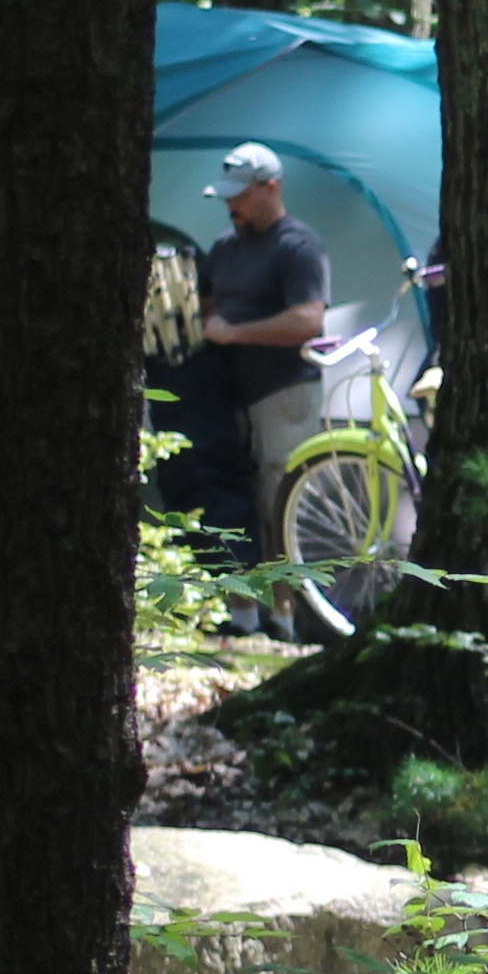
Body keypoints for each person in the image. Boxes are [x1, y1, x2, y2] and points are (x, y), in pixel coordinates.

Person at [195, 143, 329, 628]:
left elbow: (307, 320)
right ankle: (246, 615)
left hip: (284, 392)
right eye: (228, 199)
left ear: (272, 188)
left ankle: (295, 619)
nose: (233, 208)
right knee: (239, 501)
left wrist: (237, 333)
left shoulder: (298, 246)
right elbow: (206, 301)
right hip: (231, 395)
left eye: (241, 197)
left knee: (283, 500)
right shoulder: (225, 248)